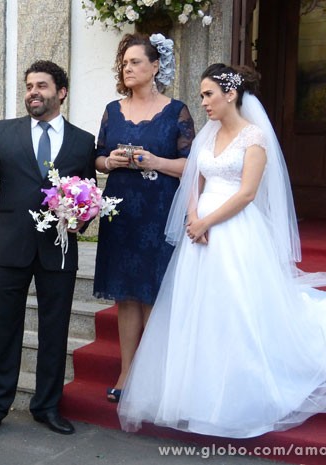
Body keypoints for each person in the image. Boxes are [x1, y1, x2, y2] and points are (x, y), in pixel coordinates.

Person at [117, 63, 326, 438]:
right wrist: (193, 215)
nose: (203, 102)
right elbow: (194, 179)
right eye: (202, 94)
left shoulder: (254, 138)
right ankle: (193, 392)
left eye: (208, 94)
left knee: (233, 306)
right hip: (199, 233)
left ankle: (235, 392)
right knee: (197, 309)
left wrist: (207, 221)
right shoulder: (208, 134)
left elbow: (247, 193)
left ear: (231, 94)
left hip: (233, 230)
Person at [0, 60, 96, 443]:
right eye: (28, 86)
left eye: (41, 85)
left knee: (54, 331)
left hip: (58, 248)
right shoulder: (2, 133)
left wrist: (80, 222)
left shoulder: (83, 141)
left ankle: (47, 406)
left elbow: (86, 195)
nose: (32, 92)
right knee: (1, 331)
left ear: (61, 92)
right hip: (11, 246)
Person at [92, 33, 195, 403]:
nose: (128, 68)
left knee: (154, 292)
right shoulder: (111, 110)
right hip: (120, 211)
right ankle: (126, 370)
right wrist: (110, 162)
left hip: (159, 211)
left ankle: (156, 375)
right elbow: (98, 158)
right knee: (126, 295)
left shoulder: (177, 111)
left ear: (155, 67)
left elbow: (191, 165)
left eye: (136, 62)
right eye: (125, 63)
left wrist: (155, 162)